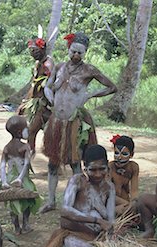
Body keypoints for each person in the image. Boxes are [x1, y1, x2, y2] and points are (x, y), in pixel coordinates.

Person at [39, 32, 117, 213]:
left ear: (85, 53)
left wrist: (90, 95)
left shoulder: (89, 70)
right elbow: (47, 86)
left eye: (80, 53)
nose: (76, 56)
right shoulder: (59, 67)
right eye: (73, 51)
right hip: (56, 121)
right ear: (68, 49)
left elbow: (112, 87)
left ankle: (79, 200)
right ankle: (51, 201)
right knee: (52, 162)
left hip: (75, 123)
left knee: (76, 162)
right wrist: (50, 98)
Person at [0, 115, 41, 234]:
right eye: (26, 128)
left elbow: (2, 165)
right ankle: (25, 225)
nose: (28, 130)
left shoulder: (7, 148)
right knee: (27, 201)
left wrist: (4, 180)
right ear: (19, 132)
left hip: (10, 178)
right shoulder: (24, 147)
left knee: (13, 203)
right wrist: (20, 179)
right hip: (23, 179)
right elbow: (26, 164)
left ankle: (16, 227)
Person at [16, 32, 54, 154]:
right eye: (31, 51)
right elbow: (34, 86)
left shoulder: (48, 65)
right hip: (36, 104)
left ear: (43, 49)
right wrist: (25, 102)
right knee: (30, 132)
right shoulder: (38, 64)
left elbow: (52, 86)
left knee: (32, 132)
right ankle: (29, 160)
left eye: (35, 50)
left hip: (45, 105)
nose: (33, 54)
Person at [108, 135, 140, 216]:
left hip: (125, 203)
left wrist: (134, 203)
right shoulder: (109, 167)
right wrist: (127, 205)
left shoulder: (133, 167)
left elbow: (134, 190)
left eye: (124, 154)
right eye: (116, 153)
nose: (119, 157)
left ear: (131, 155)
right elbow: (107, 193)